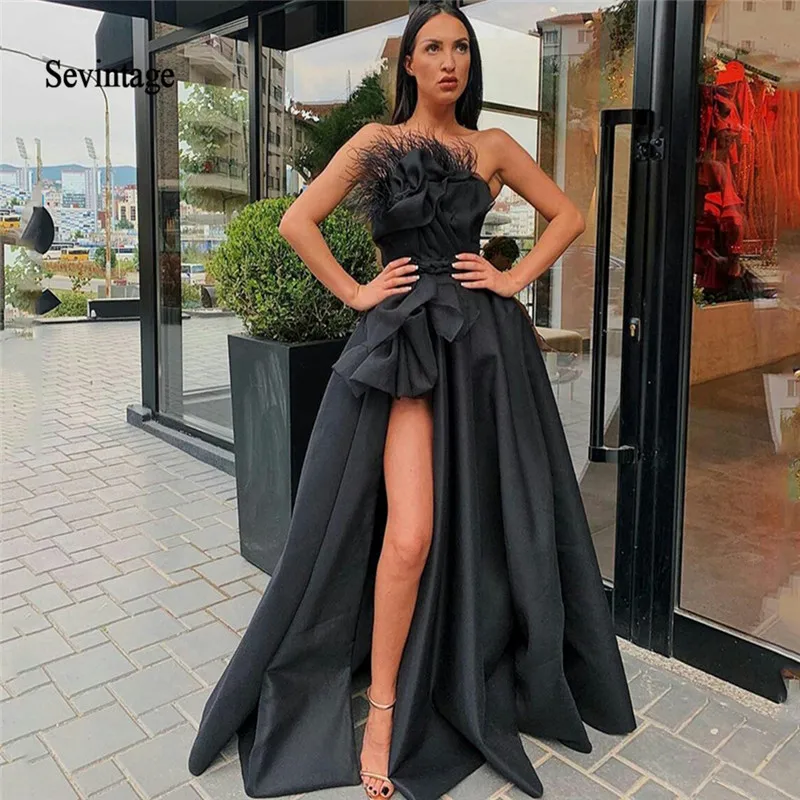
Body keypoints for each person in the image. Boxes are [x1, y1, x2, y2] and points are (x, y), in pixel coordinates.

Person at [187, 4, 636, 799]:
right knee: (410, 533)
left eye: (461, 47)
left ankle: (459, 665)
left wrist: (510, 277)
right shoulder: (375, 142)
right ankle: (385, 712)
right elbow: (298, 222)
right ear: (410, 64)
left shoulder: (493, 147)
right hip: (404, 345)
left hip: (481, 347)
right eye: (434, 47)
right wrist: (358, 291)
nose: (449, 60)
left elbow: (568, 216)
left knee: (488, 518)